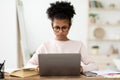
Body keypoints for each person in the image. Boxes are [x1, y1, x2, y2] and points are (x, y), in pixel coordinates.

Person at [26, 1, 98, 73]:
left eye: (64, 28)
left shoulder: (79, 45)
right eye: (57, 28)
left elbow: (94, 66)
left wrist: (82, 68)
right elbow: (28, 65)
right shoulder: (45, 46)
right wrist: (37, 67)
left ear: (69, 27)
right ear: (52, 27)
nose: (60, 31)